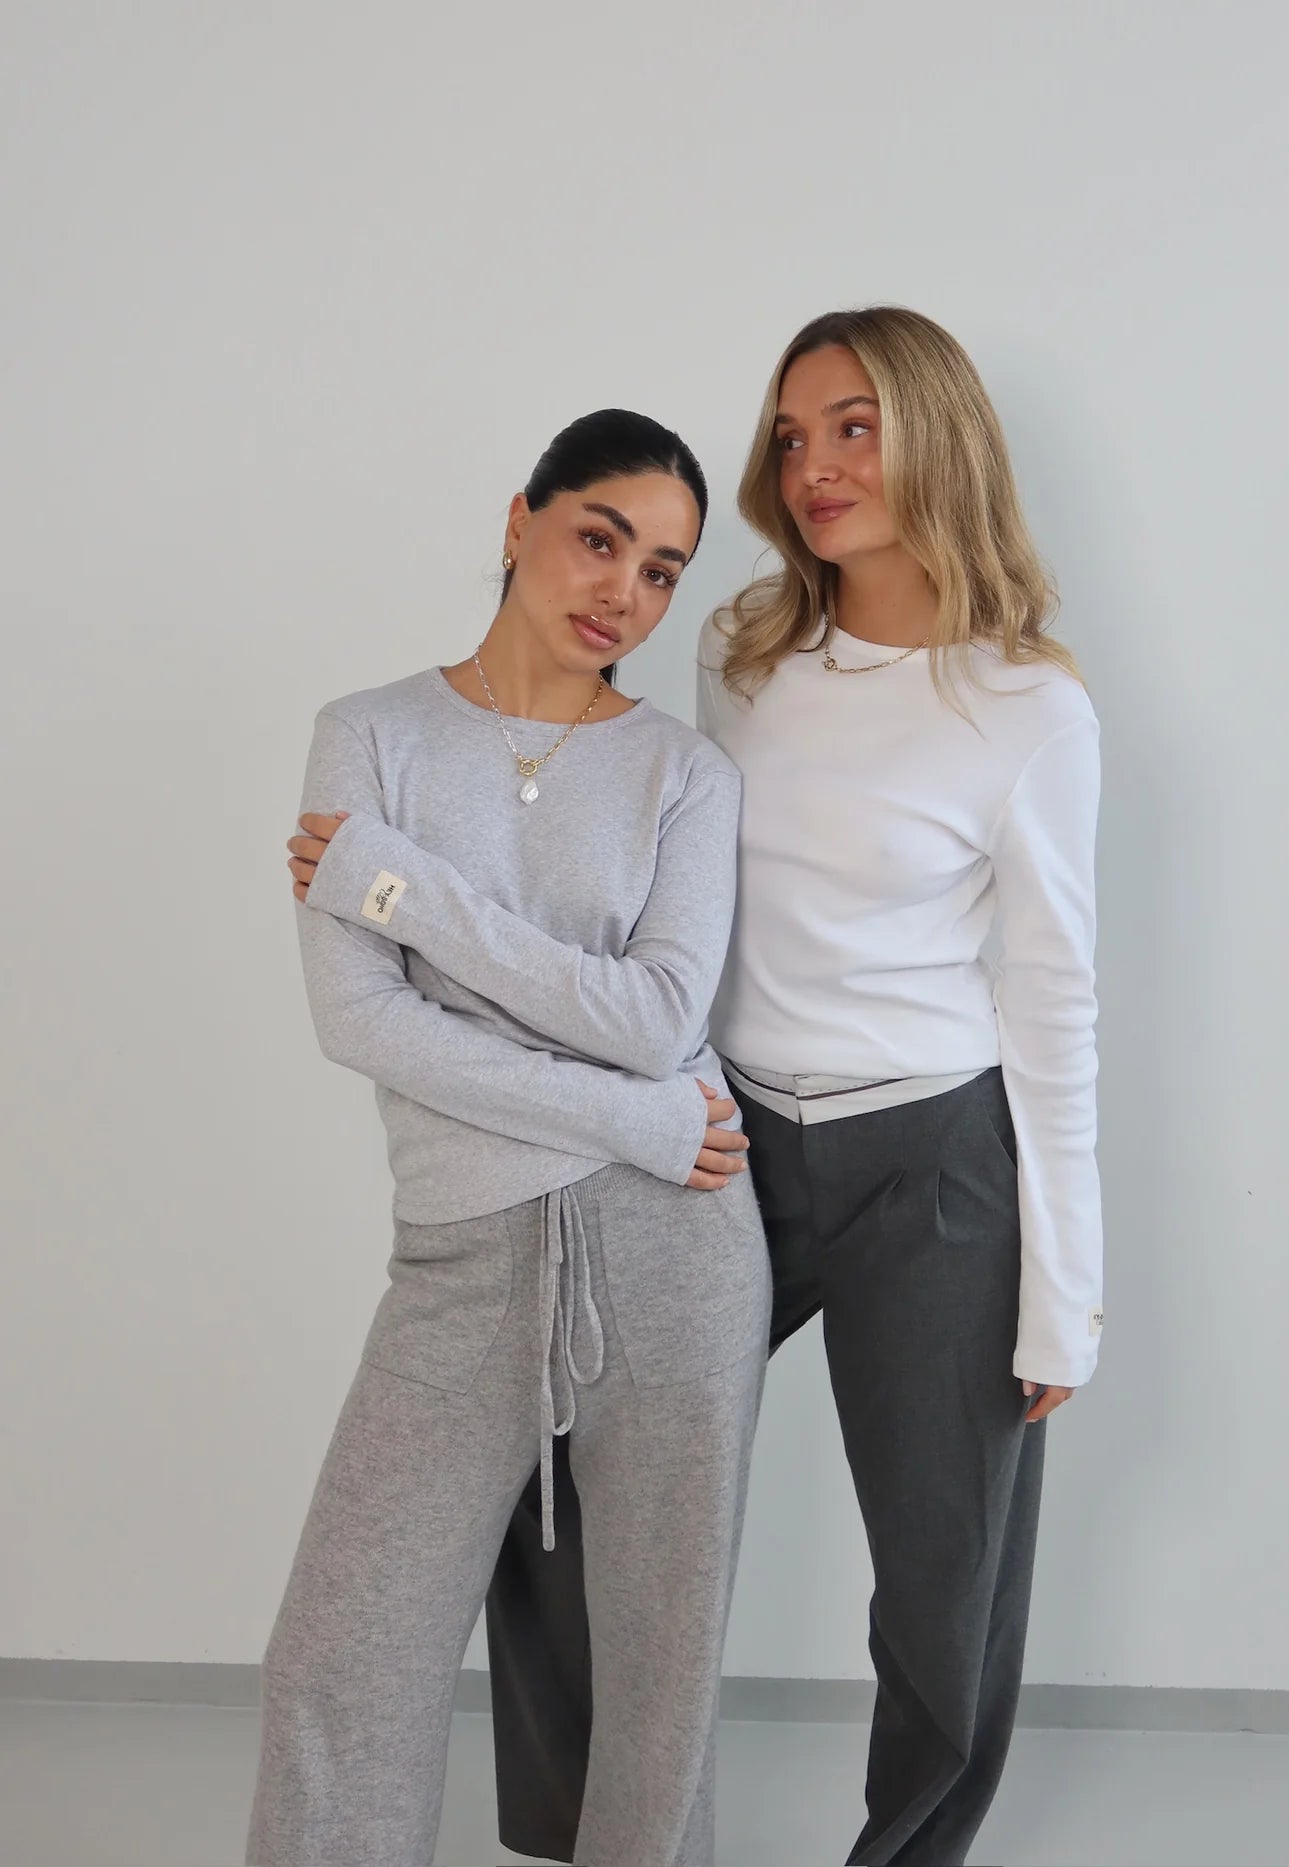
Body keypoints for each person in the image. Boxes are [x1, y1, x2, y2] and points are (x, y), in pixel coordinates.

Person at [484, 308, 1105, 1867]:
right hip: (730, 1134)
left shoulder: (1029, 706)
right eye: (791, 434)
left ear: (935, 435)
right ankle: (597, 1834)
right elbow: (657, 870)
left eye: (854, 427)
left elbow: (1055, 999)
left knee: (946, 1581)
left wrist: (1066, 1289)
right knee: (554, 1472)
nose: (815, 464)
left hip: (936, 1162)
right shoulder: (742, 649)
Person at [246, 409, 772, 1867]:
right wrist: (635, 1119)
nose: (624, 592)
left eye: (661, 570)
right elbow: (363, 1021)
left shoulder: (687, 774)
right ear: (520, 519)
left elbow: (660, 1016)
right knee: (335, 1669)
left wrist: (406, 894)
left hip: (677, 1254)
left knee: (658, 1694)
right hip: (465, 1258)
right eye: (600, 538)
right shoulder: (369, 736)